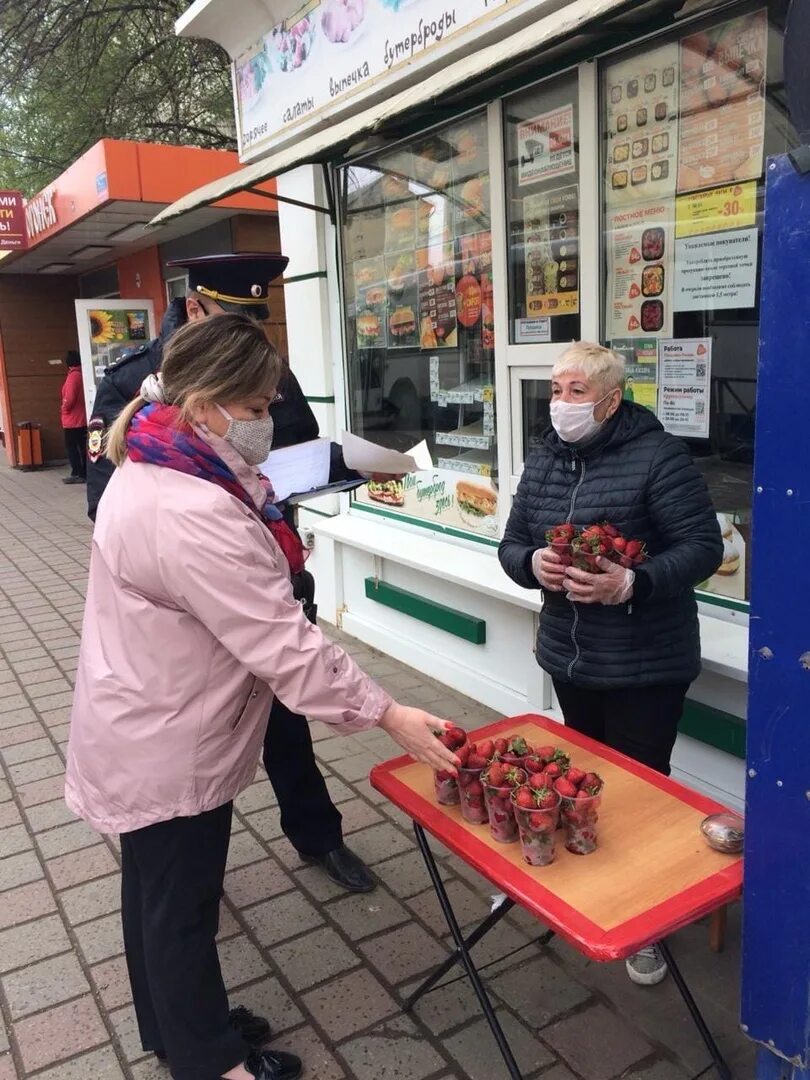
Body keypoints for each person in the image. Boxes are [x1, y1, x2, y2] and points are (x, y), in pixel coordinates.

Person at [65, 314, 460, 1080]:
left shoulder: (157, 459)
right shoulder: (190, 509)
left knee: (154, 894)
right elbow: (285, 647)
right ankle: (210, 1063)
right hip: (165, 736)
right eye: (253, 408)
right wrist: (388, 712)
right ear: (205, 403)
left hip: (144, 713)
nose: (266, 422)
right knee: (180, 909)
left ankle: (179, 1030)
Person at [86, 253, 377, 894]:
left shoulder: (264, 376)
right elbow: (107, 496)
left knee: (287, 726)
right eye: (232, 315)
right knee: (187, 813)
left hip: (258, 565)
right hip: (196, 604)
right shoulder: (130, 383)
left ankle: (316, 836)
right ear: (197, 311)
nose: (250, 335)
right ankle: (191, 870)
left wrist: (334, 471)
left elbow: (289, 447)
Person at [498, 341, 722, 988]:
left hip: (646, 663)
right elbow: (513, 540)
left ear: (610, 399)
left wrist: (635, 583)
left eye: (573, 391)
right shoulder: (546, 457)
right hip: (572, 657)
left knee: (641, 794)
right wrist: (529, 565)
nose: (559, 403)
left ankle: (645, 926)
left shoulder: (659, 456)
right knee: (584, 781)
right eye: (554, 389)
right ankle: (589, 892)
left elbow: (702, 548)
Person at [60, 350, 87, 484]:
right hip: (81, 418)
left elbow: (69, 398)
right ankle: (84, 472)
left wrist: (64, 408)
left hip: (72, 420)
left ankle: (77, 472)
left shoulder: (72, 377)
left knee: (72, 447)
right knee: (82, 446)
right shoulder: (82, 375)